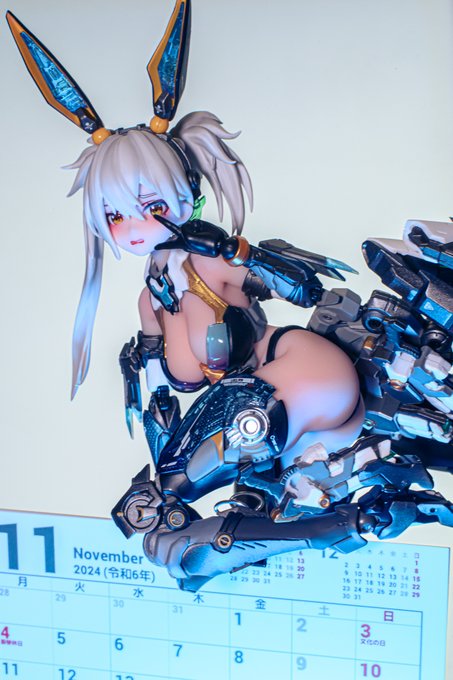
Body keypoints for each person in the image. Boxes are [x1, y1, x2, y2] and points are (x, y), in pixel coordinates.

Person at [8, 0, 453, 591]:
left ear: (184, 191)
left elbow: (305, 287)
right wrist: (161, 454)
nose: (133, 227)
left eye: (150, 205)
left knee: (230, 436)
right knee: (176, 546)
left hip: (298, 375)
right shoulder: (152, 296)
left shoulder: (211, 260)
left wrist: (239, 251)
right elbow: (170, 394)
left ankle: (312, 518)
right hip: (272, 441)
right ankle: (334, 523)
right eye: (115, 215)